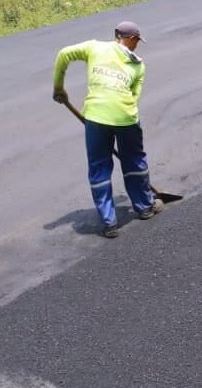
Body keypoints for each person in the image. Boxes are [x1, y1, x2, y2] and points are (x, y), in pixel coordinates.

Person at [52, 21, 162, 238]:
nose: (137, 45)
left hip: (96, 117)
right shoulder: (138, 65)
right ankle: (145, 207)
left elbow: (63, 54)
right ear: (131, 39)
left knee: (99, 167)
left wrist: (58, 87)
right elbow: (134, 97)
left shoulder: (94, 47)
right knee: (134, 161)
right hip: (126, 118)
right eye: (137, 41)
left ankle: (109, 223)